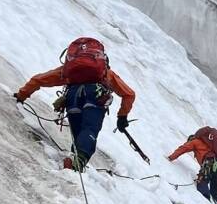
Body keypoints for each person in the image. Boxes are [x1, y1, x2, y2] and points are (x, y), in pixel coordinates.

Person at [14, 37, 135, 171]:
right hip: (95, 95)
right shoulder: (106, 74)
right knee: (89, 129)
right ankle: (77, 163)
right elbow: (129, 94)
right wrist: (122, 117)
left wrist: (21, 95)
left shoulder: (68, 71)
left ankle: (74, 160)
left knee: (78, 134)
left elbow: (38, 80)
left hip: (73, 97)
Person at [168, 127, 217, 204]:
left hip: (209, 164)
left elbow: (183, 148)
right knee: (216, 191)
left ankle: (206, 203)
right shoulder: (210, 144)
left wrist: (170, 157)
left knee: (202, 181)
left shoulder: (195, 142)